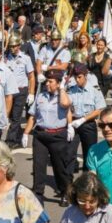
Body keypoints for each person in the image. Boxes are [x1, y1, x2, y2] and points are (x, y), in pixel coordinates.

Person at [23, 69, 73, 206]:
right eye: (47, 81)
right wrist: (26, 133)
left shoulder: (63, 96)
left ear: (58, 83)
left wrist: (62, 89)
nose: (47, 84)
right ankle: (38, 194)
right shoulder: (41, 97)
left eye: (51, 82)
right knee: (38, 165)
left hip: (58, 135)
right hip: (41, 135)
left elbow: (65, 105)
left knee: (59, 167)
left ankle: (64, 192)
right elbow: (33, 116)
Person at [68, 64, 106, 173]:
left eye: (79, 77)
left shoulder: (94, 90)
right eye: (75, 77)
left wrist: (84, 119)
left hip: (88, 124)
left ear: (85, 76)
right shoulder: (71, 89)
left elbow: (99, 109)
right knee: (69, 153)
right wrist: (70, 124)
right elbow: (67, 107)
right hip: (74, 123)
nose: (77, 79)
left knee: (89, 154)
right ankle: (68, 183)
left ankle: (87, 181)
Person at [4, 34, 35, 149]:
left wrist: (31, 93)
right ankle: (17, 136)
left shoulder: (25, 58)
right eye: (11, 46)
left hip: (21, 90)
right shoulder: (5, 58)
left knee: (16, 117)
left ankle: (10, 140)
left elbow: (31, 76)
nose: (12, 48)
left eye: (14, 46)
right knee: (10, 115)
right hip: (9, 91)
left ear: (19, 46)